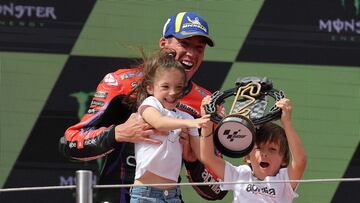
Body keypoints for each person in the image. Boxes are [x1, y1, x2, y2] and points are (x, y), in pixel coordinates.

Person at [59, 11, 227, 203]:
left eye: (199, 47)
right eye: (185, 44)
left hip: (169, 197)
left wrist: (193, 160)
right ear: (163, 44)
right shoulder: (120, 83)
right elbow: (69, 143)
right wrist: (117, 133)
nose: (191, 54)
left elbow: (218, 189)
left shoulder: (206, 103)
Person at [126, 50, 210, 202]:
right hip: (145, 194)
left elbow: (202, 155)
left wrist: (206, 122)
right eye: (165, 86)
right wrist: (190, 123)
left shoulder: (187, 117)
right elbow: (159, 122)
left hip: (173, 195)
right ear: (150, 88)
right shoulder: (150, 105)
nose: (172, 93)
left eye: (178, 87)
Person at [199, 97, 307, 202]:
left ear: (283, 159)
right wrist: (207, 122)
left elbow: (300, 161)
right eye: (259, 148)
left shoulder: (285, 180)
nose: (264, 154)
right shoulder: (240, 174)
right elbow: (207, 157)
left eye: (272, 149)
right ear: (248, 157)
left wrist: (286, 122)